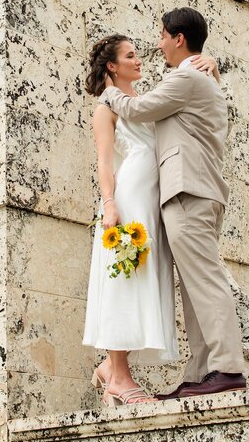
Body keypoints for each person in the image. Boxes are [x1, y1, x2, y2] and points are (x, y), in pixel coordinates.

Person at [99, 7, 246, 399]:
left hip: (188, 191)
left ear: (179, 38)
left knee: (206, 280)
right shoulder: (200, 76)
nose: (158, 44)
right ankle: (201, 373)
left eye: (163, 36)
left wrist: (107, 88)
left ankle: (227, 367)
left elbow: (136, 108)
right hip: (194, 190)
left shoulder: (187, 77)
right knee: (195, 284)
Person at [82, 33, 219, 406]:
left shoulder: (142, 101)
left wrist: (210, 63)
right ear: (112, 65)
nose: (139, 59)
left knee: (143, 282)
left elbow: (184, 86)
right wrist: (110, 205)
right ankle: (120, 380)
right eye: (130, 56)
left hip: (152, 203)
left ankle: (111, 369)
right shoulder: (104, 108)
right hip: (127, 202)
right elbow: (105, 163)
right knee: (124, 282)